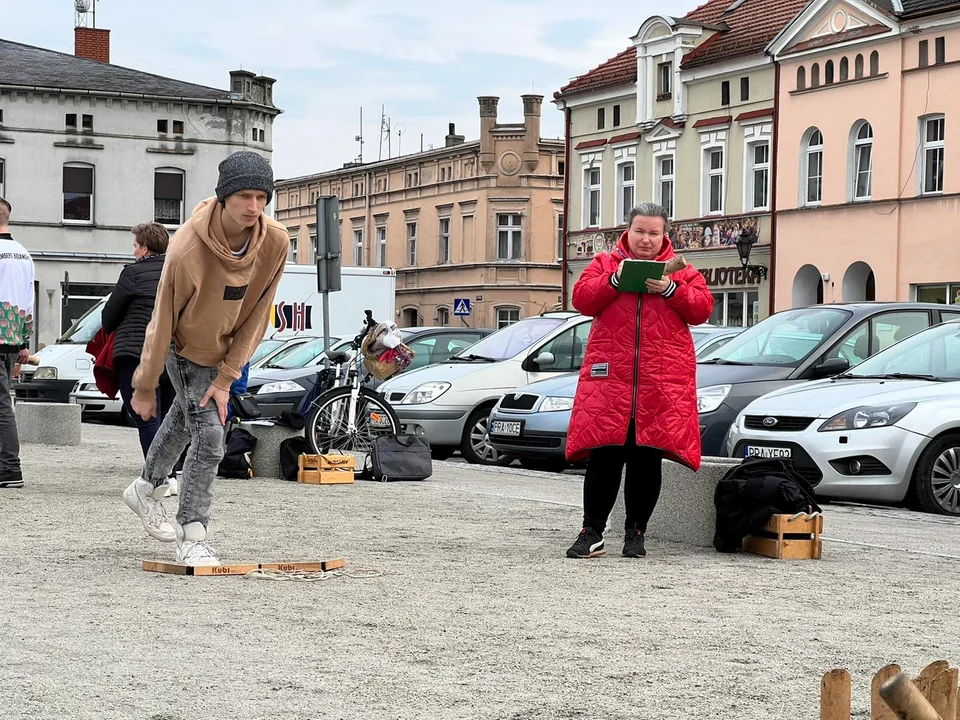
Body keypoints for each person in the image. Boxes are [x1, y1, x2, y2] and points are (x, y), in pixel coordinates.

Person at [122, 151, 289, 565]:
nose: (254, 207)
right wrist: (144, 386)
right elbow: (160, 321)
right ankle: (192, 534)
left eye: (262, 197)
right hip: (185, 348)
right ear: (224, 197)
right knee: (211, 439)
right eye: (245, 197)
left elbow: (258, 312)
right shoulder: (186, 248)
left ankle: (144, 489)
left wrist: (228, 376)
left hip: (227, 352)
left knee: (183, 420)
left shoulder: (276, 242)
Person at [564, 203, 713, 560]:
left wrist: (670, 290)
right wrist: (614, 282)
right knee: (604, 456)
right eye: (640, 232)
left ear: (665, 236)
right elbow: (582, 299)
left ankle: (636, 534)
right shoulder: (604, 264)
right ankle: (592, 531)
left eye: (654, 233)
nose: (646, 239)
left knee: (646, 458)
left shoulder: (683, 272)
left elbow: (703, 309)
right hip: (610, 381)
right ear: (627, 232)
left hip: (659, 382)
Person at [101, 223, 176, 470]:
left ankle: (159, 475)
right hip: (172, 355)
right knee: (167, 418)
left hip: (136, 354)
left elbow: (109, 317)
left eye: (135, 246)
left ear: (144, 249)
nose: (133, 251)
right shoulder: (179, 272)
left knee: (146, 418)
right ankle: (173, 473)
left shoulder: (132, 274)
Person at [0, 197, 35, 489]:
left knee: (1, 404)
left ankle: (10, 468)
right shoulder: (24, 255)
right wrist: (24, 340)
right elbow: (28, 301)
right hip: (11, 338)